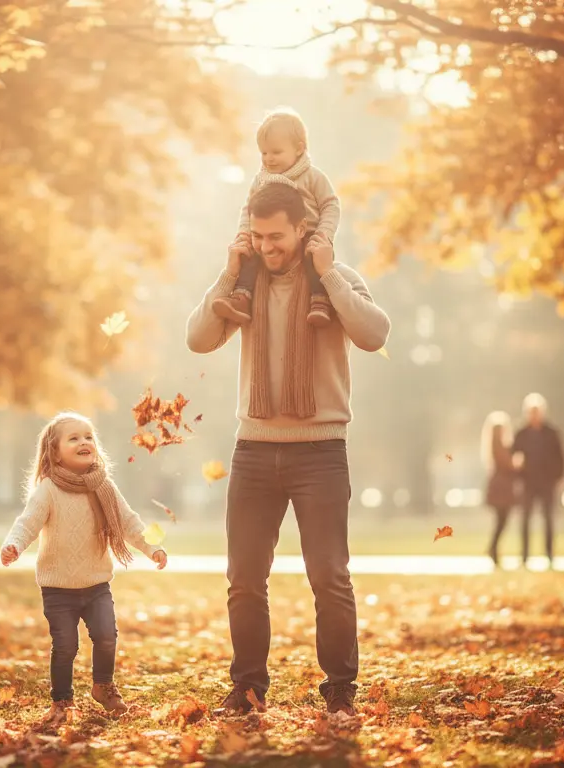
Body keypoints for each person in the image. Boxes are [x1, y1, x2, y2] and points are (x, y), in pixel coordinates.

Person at [186, 180, 391, 718]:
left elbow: (374, 334)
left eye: (276, 236)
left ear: (303, 228)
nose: (267, 246)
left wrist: (328, 275)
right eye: (257, 236)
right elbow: (199, 338)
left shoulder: (334, 281)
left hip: (320, 450)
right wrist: (230, 269)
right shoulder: (243, 287)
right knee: (245, 579)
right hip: (253, 449)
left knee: (329, 575)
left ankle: (340, 690)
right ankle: (248, 688)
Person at [0, 412, 169, 727]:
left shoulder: (103, 486)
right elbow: (28, 524)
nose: (84, 442)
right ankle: (62, 700)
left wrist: (153, 548)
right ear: (54, 451)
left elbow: (129, 522)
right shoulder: (48, 489)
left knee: (106, 636)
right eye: (74, 438)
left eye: (89, 436)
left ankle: (103, 686)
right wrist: (13, 545)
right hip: (58, 588)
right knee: (66, 645)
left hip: (96, 585)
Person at [212, 107, 341, 328]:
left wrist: (324, 233)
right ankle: (242, 297)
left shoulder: (312, 176)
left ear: (299, 149)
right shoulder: (262, 180)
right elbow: (248, 208)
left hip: (310, 233)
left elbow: (330, 204)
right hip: (270, 235)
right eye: (263, 153)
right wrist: (244, 232)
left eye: (276, 152)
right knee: (251, 253)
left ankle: (319, 301)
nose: (269, 159)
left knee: (314, 258)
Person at [510, 393, 564, 569]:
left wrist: (559, 477)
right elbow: (513, 456)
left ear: (542, 412)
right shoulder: (521, 433)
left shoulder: (552, 433)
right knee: (525, 520)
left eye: (537, 412)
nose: (534, 415)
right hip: (528, 482)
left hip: (547, 482)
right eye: (531, 412)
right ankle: (525, 556)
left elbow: (561, 457)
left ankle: (549, 554)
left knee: (548, 519)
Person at [481, 410, 518, 569]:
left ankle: (493, 549)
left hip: (502, 487)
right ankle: (493, 549)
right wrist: (515, 464)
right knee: (501, 521)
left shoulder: (499, 445)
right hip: (501, 488)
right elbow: (507, 463)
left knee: (501, 521)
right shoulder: (497, 445)